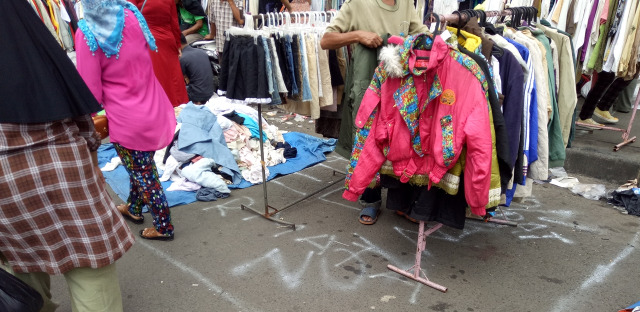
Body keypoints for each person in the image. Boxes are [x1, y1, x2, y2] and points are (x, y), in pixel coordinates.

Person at [0, 0, 135, 310]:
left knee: (22, 270)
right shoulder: (35, 47)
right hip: (66, 173)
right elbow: (85, 126)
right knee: (90, 271)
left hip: (5, 192)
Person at [76, 0, 177, 240]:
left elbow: (90, 93)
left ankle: (164, 226)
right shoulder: (130, 14)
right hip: (153, 104)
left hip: (127, 117)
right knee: (139, 167)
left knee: (144, 172)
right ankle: (133, 208)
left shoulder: (87, 33)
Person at [320, 0, 428, 225]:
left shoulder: (407, 4)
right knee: (368, 139)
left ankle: (400, 200)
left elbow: (422, 36)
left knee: (402, 136)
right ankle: (371, 199)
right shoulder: (358, 3)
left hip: (400, 83)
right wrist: (358, 35)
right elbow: (326, 40)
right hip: (366, 80)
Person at [129, 0, 189, 107]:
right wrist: (177, 44)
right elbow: (174, 22)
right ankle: (178, 105)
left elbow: (128, 17)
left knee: (157, 77)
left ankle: (161, 108)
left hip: (148, 40)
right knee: (172, 76)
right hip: (167, 40)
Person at [180, 34, 216, 103]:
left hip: (196, 94)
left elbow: (178, 81)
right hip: (210, 92)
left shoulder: (183, 58)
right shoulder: (202, 52)